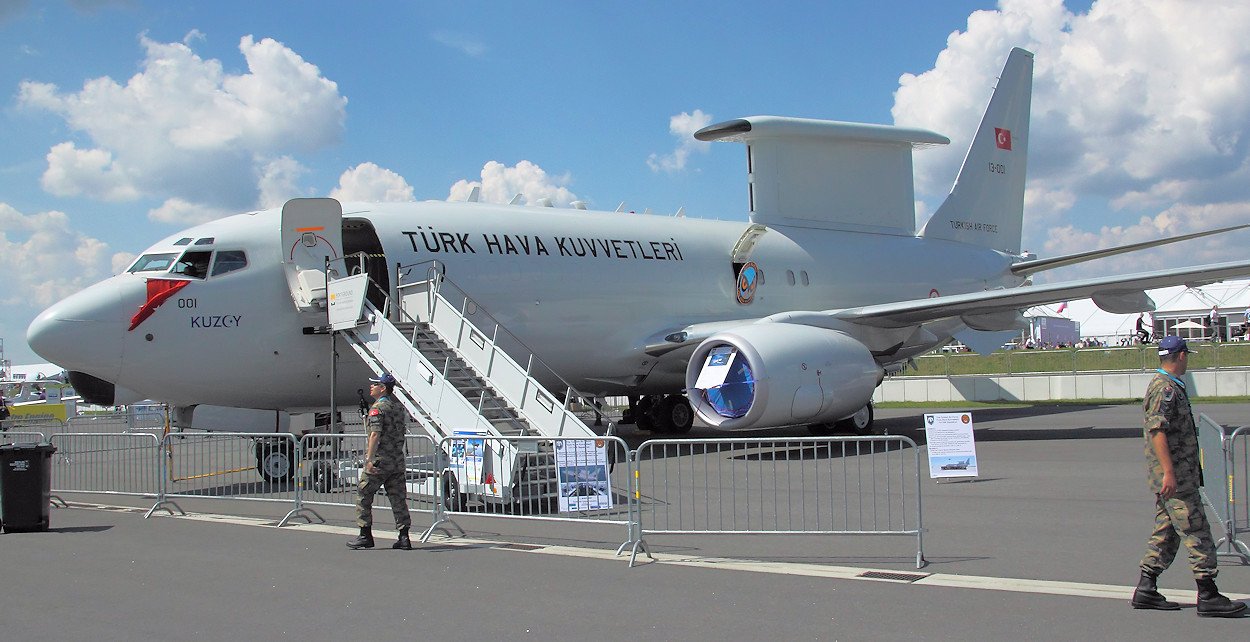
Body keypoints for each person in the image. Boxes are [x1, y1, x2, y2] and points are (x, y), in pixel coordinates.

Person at [1130, 336, 1247, 617]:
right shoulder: (1165, 388)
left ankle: (1146, 588)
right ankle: (1208, 594)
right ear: (1180, 356)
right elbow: (1157, 432)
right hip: (1176, 477)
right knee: (1196, 530)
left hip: (1177, 476)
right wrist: (1170, 473)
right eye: (1187, 355)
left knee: (1167, 532)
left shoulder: (1168, 386)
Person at [346, 373, 414, 550]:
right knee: (398, 499)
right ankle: (404, 536)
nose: (371, 387)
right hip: (397, 461)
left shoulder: (377, 409)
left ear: (383, 388)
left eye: (375, 384)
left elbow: (375, 434)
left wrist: (369, 458)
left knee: (363, 494)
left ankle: (365, 534)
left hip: (380, 461)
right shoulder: (399, 408)